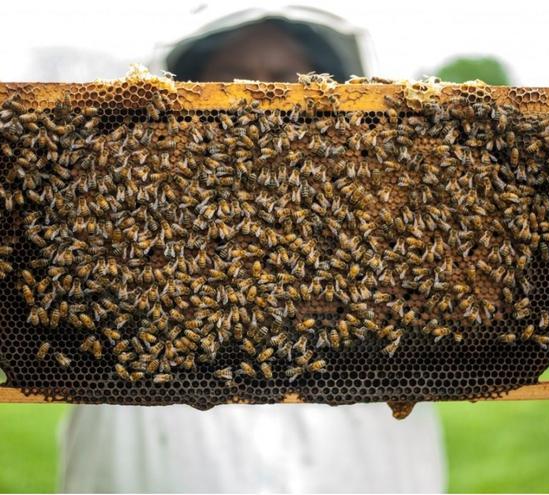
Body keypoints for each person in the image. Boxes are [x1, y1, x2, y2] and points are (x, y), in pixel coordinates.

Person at [60, 8, 445, 493]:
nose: (262, 96)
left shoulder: (385, 203)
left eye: (285, 77)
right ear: (186, 86)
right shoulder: (120, 195)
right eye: (234, 75)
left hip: (360, 453)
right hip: (151, 444)